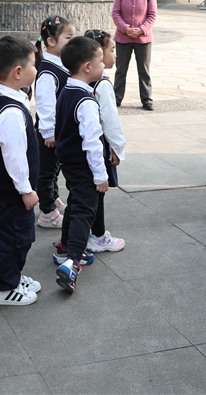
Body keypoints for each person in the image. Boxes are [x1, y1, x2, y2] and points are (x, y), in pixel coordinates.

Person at [0, 36, 41, 306]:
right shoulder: (10, 112)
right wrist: (26, 190)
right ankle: (4, 288)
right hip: (12, 192)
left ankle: (12, 275)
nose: (36, 69)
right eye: (33, 64)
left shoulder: (8, 95)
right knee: (15, 238)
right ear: (18, 72)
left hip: (9, 191)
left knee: (15, 236)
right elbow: (14, 156)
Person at [54, 36, 109, 293]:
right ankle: (72, 261)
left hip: (68, 160)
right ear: (87, 66)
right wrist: (100, 175)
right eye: (100, 61)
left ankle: (65, 246)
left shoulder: (67, 90)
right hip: (84, 164)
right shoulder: (86, 101)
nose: (104, 66)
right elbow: (93, 142)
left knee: (76, 200)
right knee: (85, 209)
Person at [84, 30, 126, 253]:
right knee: (99, 190)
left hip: (83, 147)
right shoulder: (103, 85)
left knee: (87, 191)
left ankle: (92, 231)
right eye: (111, 50)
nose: (114, 55)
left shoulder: (81, 81)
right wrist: (117, 148)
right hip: (100, 147)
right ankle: (98, 235)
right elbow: (110, 120)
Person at [34, 14, 75, 228]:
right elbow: (45, 105)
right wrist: (48, 132)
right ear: (51, 41)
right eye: (68, 37)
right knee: (47, 171)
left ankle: (53, 197)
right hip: (48, 133)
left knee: (54, 169)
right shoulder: (48, 71)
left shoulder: (60, 64)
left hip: (58, 131)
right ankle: (47, 212)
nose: (72, 42)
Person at [111, 0, 157, 111]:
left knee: (144, 70)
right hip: (123, 38)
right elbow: (115, 13)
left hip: (143, 39)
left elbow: (152, 15)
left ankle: (147, 100)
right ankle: (116, 98)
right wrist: (125, 28)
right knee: (120, 70)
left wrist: (141, 30)